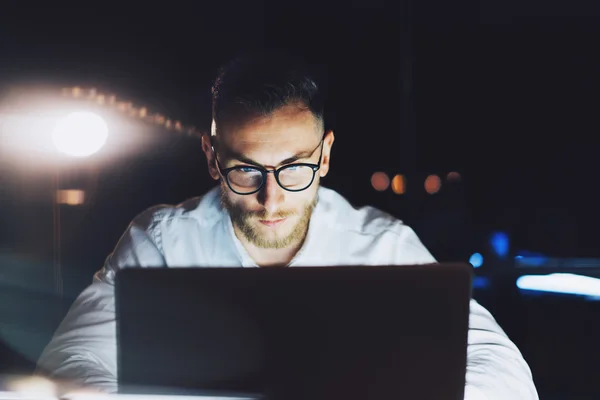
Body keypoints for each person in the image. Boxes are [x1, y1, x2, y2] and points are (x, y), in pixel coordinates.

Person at [37, 52, 538, 399]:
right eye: (246, 169)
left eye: (294, 168)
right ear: (213, 158)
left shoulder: (383, 245)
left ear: (324, 157)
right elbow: (67, 363)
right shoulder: (163, 241)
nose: (270, 197)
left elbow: (503, 372)